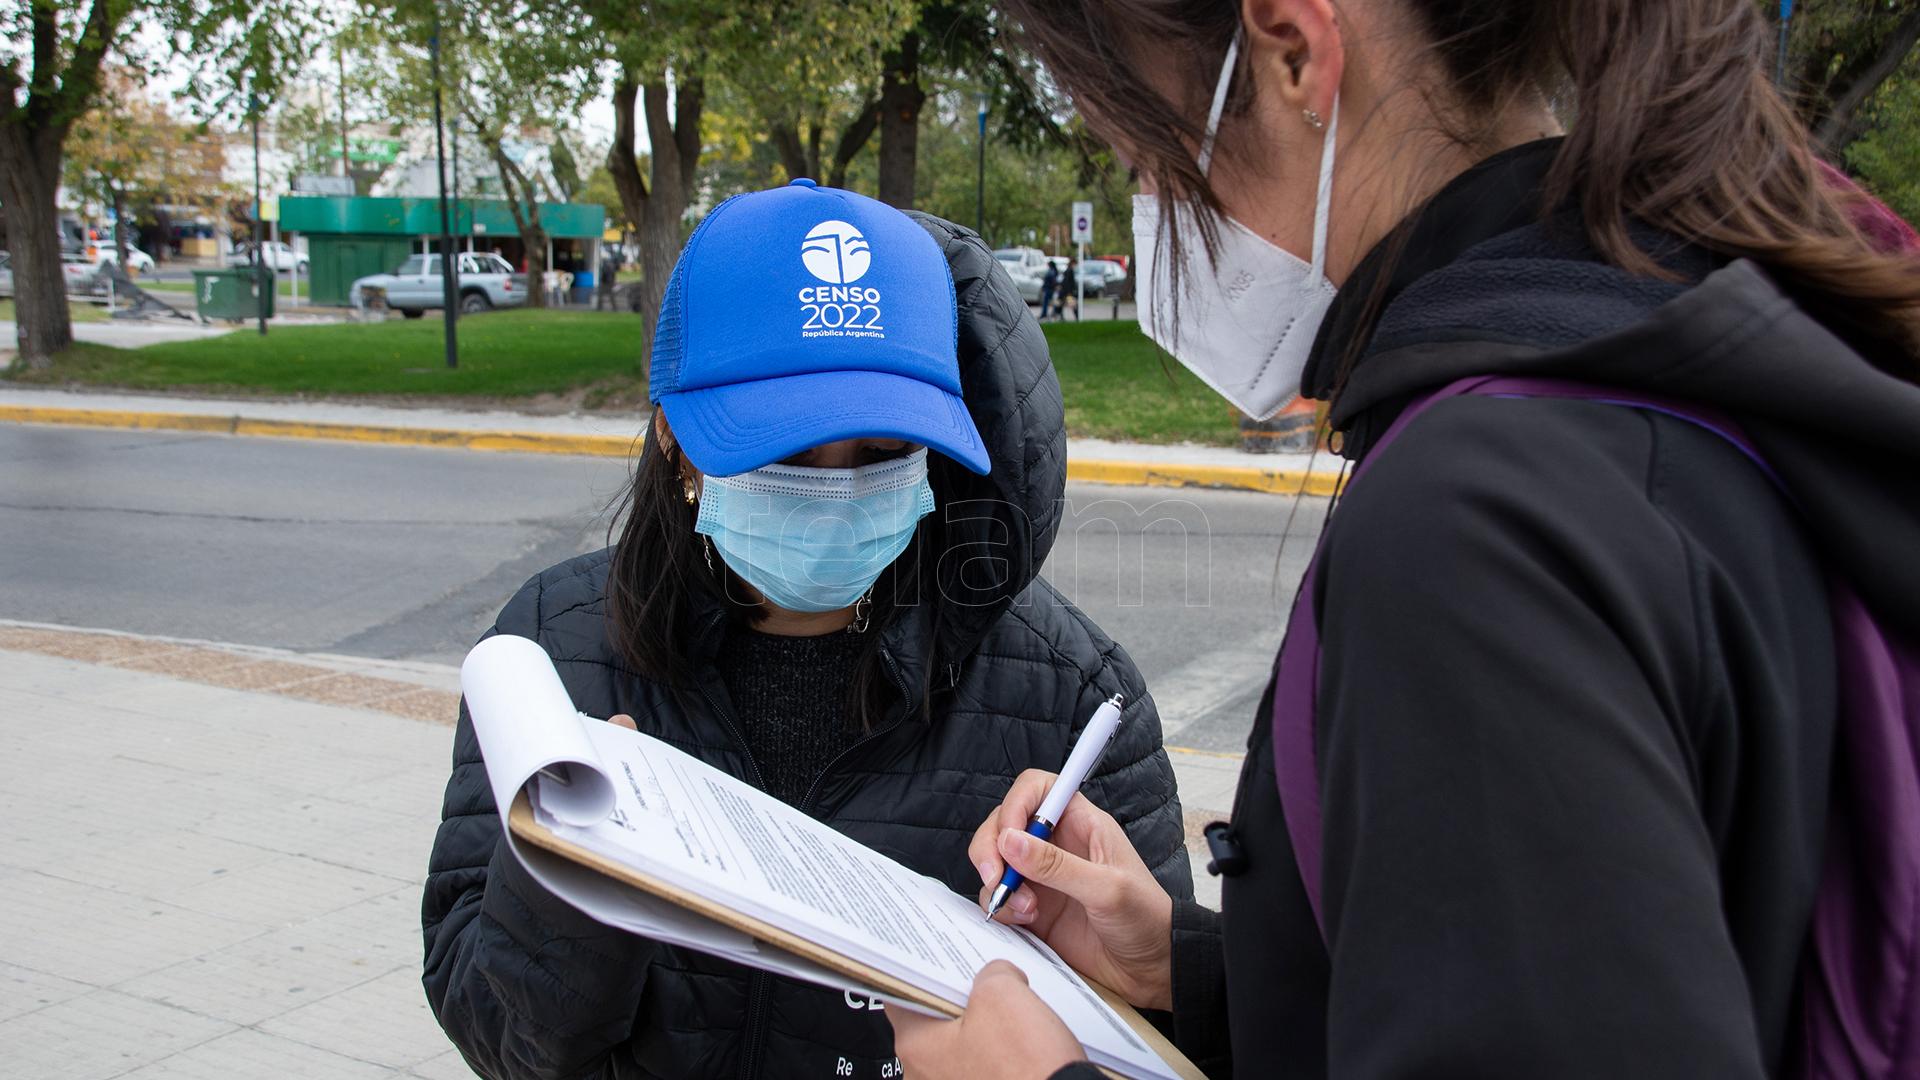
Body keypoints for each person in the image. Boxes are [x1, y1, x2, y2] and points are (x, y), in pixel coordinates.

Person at [889, 1, 1920, 1077]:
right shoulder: (1665, 347)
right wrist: (1190, 972)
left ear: (1294, 51)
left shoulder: (1475, 523)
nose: (1155, 212)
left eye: (1146, 158)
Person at [421, 179, 1193, 1078]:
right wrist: (577, 883)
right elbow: (495, 1031)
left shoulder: (1070, 694)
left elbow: (1161, 1031)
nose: (836, 491)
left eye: (883, 450)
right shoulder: (557, 643)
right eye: (784, 448)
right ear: (673, 437)